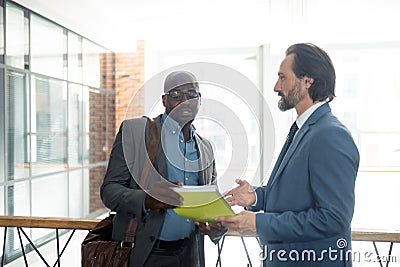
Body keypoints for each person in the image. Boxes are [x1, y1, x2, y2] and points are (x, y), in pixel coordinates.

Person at [216, 43, 360, 266]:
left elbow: (334, 218)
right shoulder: (304, 129)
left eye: (283, 78)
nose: (275, 87)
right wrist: (256, 196)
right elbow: (297, 195)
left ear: (308, 80)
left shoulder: (330, 135)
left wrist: (259, 223)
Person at [101, 70, 225, 267]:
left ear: (199, 101)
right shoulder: (136, 132)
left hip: (190, 255)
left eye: (192, 95)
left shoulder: (206, 148)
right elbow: (109, 191)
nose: (185, 100)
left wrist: (217, 227)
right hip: (146, 254)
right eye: (176, 95)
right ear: (164, 100)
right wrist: (147, 200)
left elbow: (210, 200)